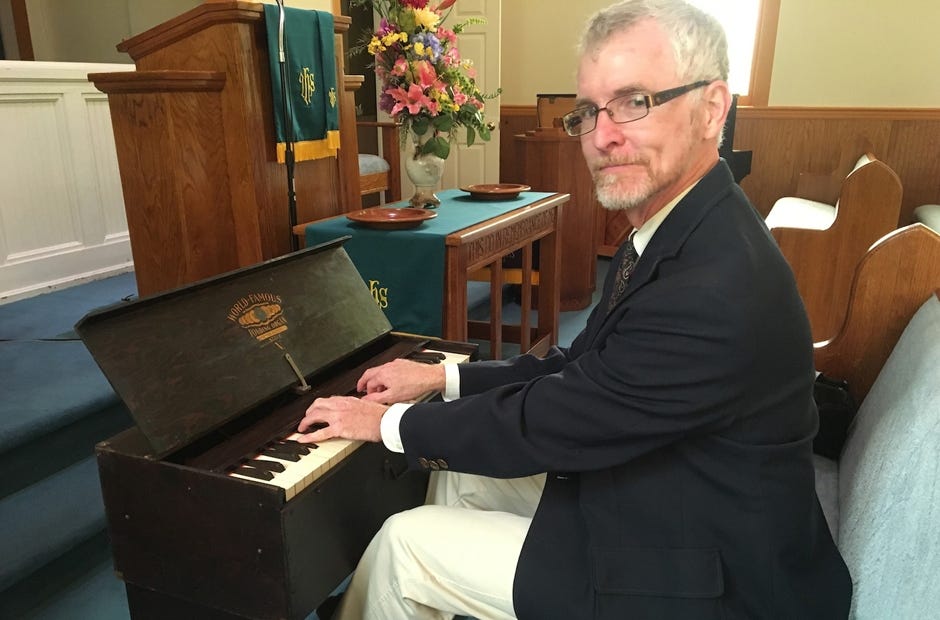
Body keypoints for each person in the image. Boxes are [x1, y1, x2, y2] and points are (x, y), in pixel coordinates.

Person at [298, 0, 852, 617]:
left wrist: (384, 424)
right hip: (671, 485)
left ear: (712, 108)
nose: (603, 136)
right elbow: (577, 368)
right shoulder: (674, 227)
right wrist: (442, 377)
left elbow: (560, 417)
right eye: (589, 111)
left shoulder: (715, 285)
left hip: (714, 574)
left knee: (405, 546)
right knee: (461, 473)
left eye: (636, 101)